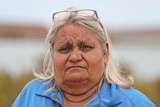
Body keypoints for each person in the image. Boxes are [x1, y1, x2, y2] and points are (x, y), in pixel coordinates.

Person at [12, 7, 156, 107]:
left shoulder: (133, 103)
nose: (74, 57)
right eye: (65, 48)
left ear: (105, 52)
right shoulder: (31, 94)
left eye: (85, 47)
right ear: (52, 54)